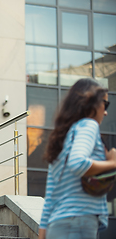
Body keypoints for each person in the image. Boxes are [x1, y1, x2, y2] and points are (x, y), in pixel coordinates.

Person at [39, 78, 116, 239]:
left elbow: (51, 194)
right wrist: (112, 163)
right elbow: (78, 163)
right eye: (105, 104)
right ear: (90, 102)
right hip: (79, 221)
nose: (106, 111)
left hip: (57, 225)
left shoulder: (61, 139)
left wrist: (42, 232)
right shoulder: (89, 125)